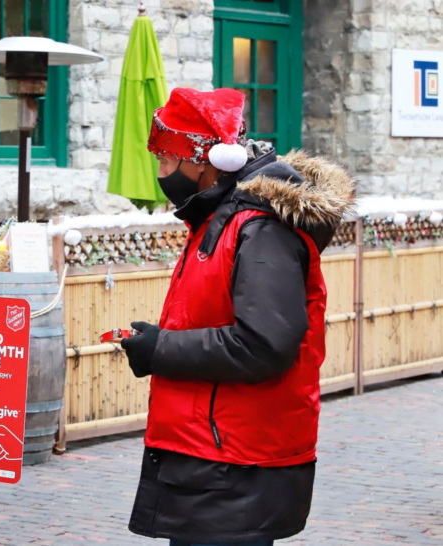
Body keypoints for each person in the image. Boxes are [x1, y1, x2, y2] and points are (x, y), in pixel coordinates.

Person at [119, 87, 354, 546]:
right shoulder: (216, 218)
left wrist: (160, 350)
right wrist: (159, 339)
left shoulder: (259, 228)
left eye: (167, 160)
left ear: (204, 161)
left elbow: (264, 344)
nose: (161, 172)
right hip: (212, 452)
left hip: (236, 461)